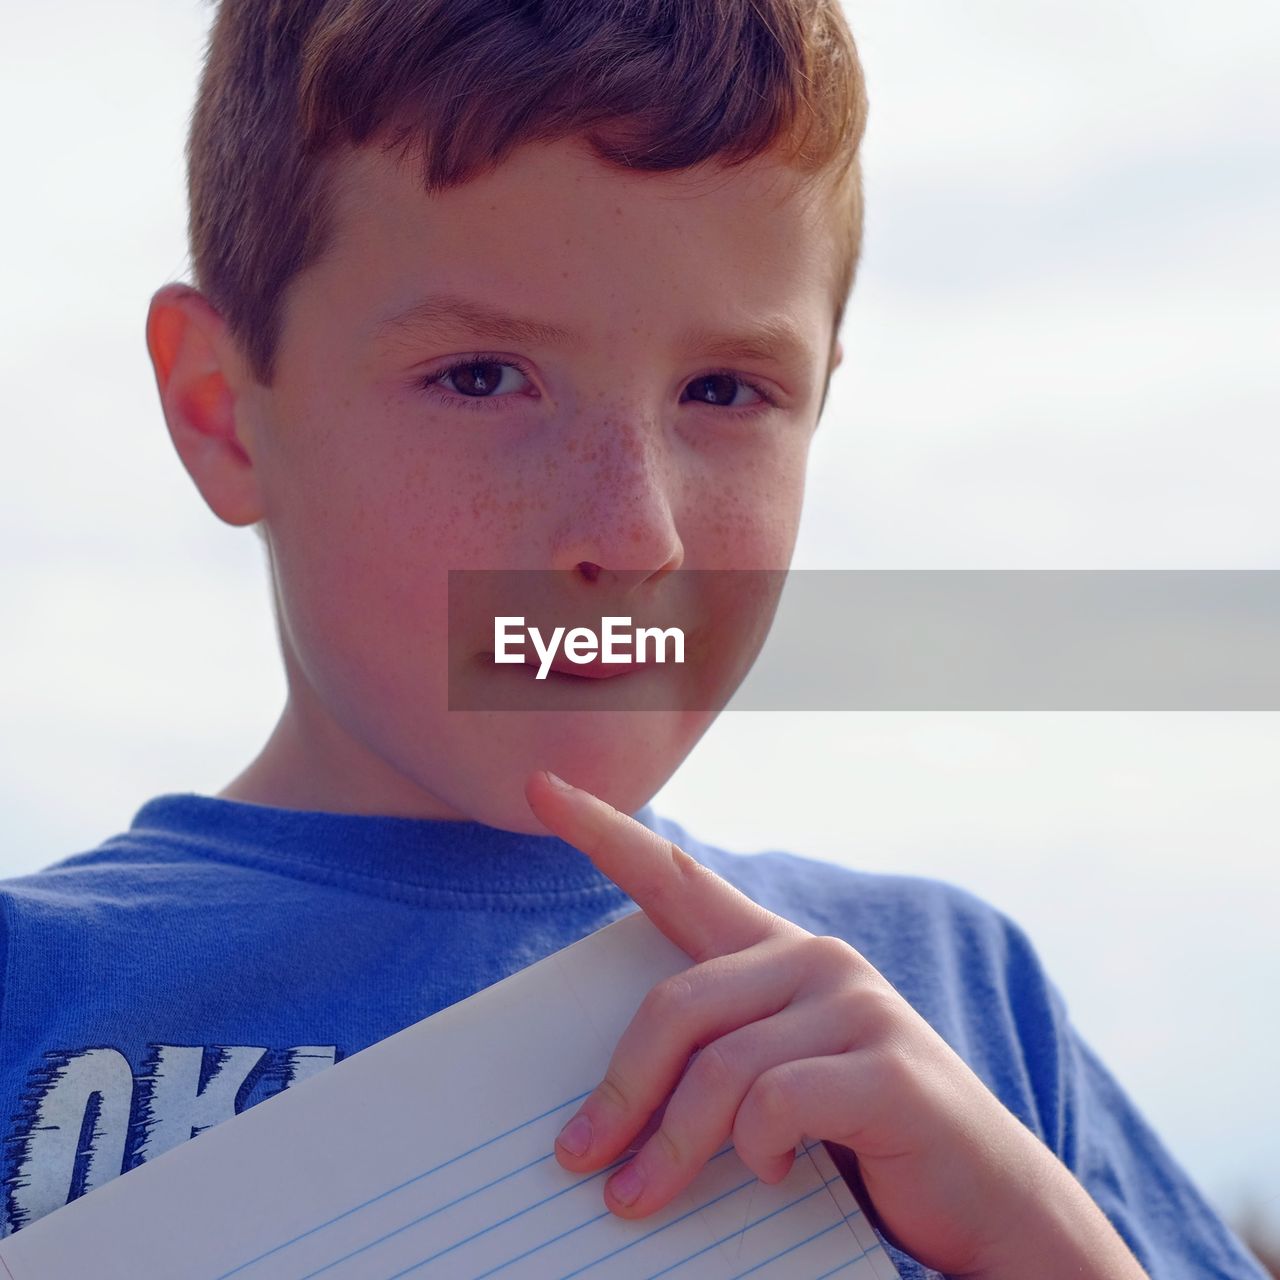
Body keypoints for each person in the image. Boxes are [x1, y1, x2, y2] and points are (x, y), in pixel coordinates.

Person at [0, 1, 1267, 1276]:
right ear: (223, 413)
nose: (634, 528)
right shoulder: (29, 997)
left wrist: (1041, 1247)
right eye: (483, 376)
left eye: (724, 391)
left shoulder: (955, 1007)